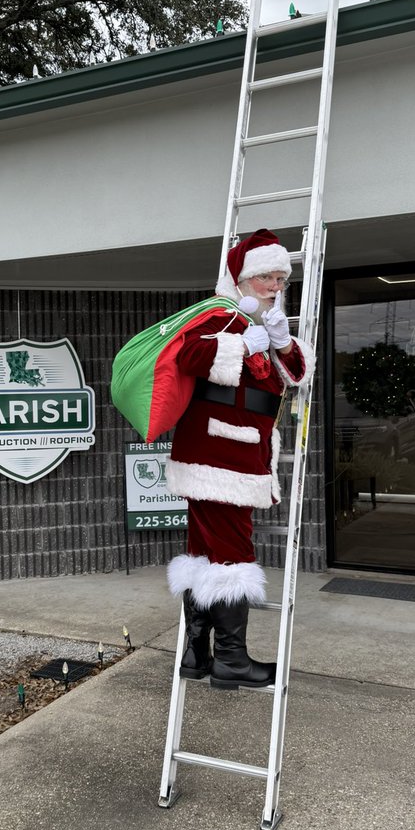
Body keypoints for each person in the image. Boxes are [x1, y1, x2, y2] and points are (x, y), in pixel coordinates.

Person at [166, 228, 314, 689]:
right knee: (232, 552)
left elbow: (297, 375)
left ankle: (197, 654)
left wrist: (281, 341)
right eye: (267, 276)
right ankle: (231, 660)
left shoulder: (268, 321)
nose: (275, 286)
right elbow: (188, 355)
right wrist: (241, 344)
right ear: (245, 278)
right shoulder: (218, 312)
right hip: (220, 455)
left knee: (207, 553)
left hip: (234, 451)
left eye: (281, 279)